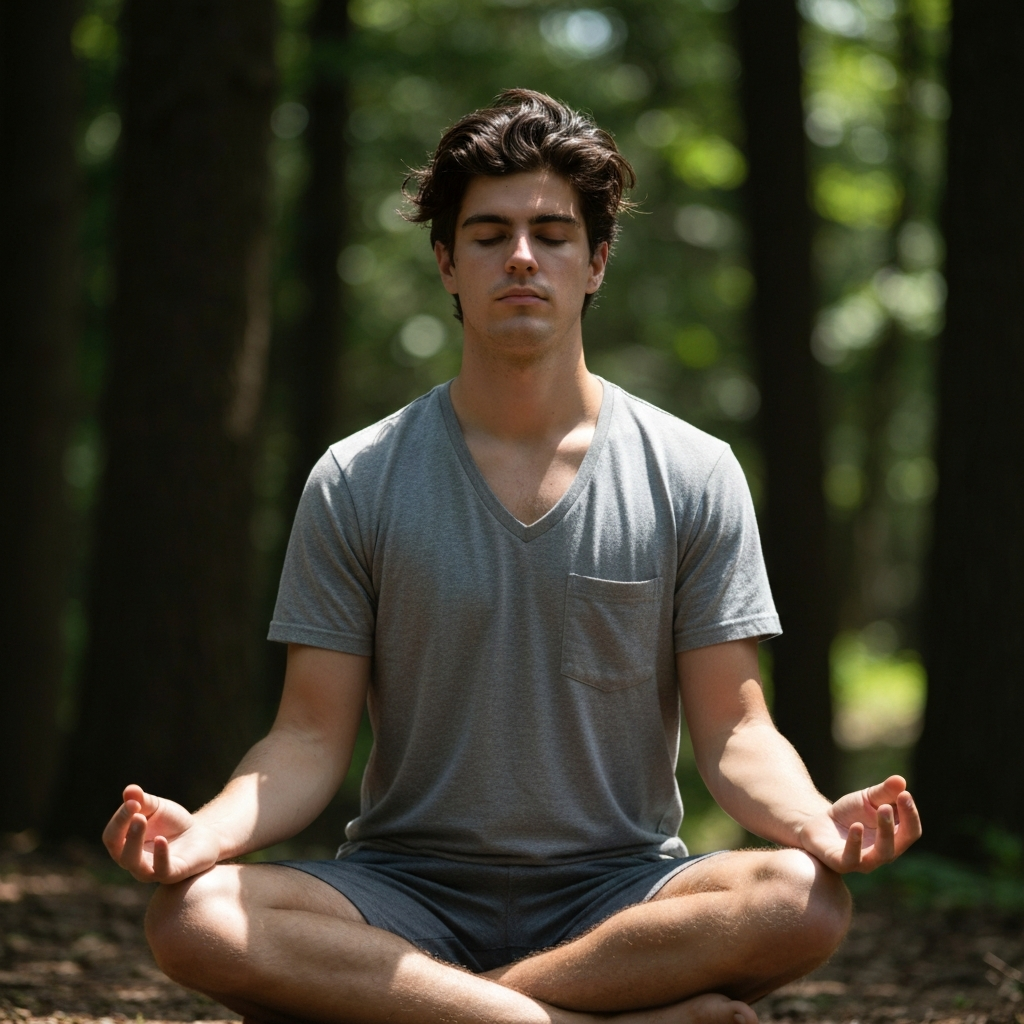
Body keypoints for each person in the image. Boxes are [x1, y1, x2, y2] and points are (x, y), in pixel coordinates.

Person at [103, 90, 921, 1024]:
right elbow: (306, 737)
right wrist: (202, 834)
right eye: (488, 234)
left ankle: (433, 1013)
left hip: (622, 900)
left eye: (553, 233)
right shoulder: (357, 477)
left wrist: (817, 821)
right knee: (196, 917)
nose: (522, 257)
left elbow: (737, 734)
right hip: (400, 894)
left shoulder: (694, 471)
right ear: (447, 263)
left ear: (596, 261)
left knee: (802, 899)